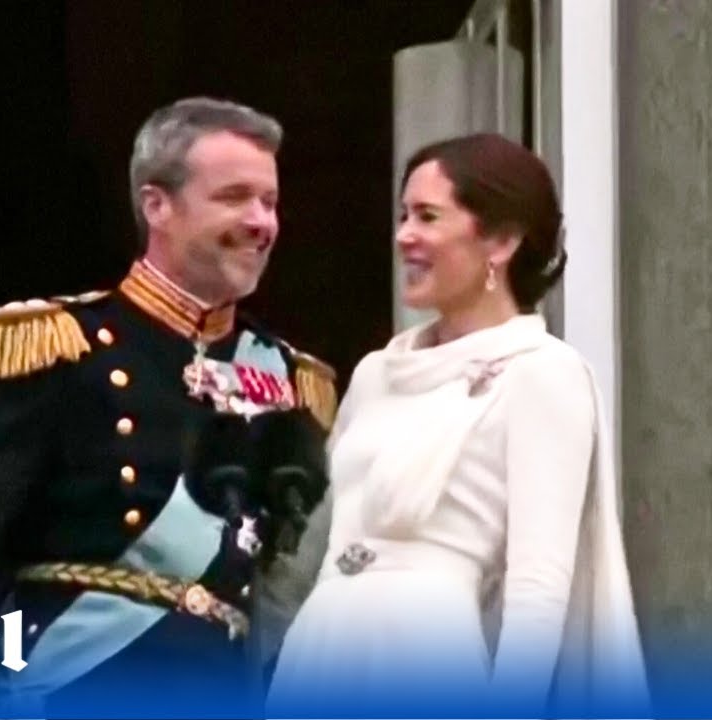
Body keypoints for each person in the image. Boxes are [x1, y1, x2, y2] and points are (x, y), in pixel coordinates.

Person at [0, 96, 335, 718]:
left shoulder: (291, 380)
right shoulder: (61, 346)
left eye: (269, 202)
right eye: (235, 197)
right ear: (157, 204)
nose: (262, 221)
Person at [266, 133, 648, 717]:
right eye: (402, 216)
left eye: (428, 216)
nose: (404, 237)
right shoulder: (376, 372)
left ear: (500, 240)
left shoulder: (544, 375)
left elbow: (537, 588)